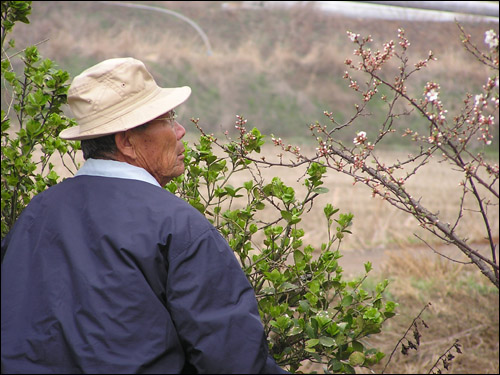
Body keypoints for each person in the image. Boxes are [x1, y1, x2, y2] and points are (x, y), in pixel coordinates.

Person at [1, 57, 288, 374]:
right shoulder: (179, 227)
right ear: (126, 141)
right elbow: (234, 361)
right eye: (167, 119)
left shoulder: (36, 213)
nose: (179, 131)